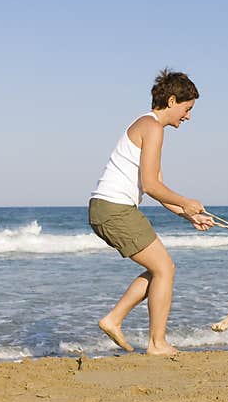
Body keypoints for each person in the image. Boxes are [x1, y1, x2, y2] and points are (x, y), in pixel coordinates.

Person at [88, 68, 213, 356]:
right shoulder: (152, 127)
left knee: (159, 270)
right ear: (172, 101)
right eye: (187, 108)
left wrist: (187, 214)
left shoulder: (147, 125)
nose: (188, 116)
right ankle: (157, 343)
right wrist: (187, 200)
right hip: (114, 208)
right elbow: (151, 185)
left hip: (108, 208)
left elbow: (155, 186)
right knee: (165, 268)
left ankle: (114, 319)